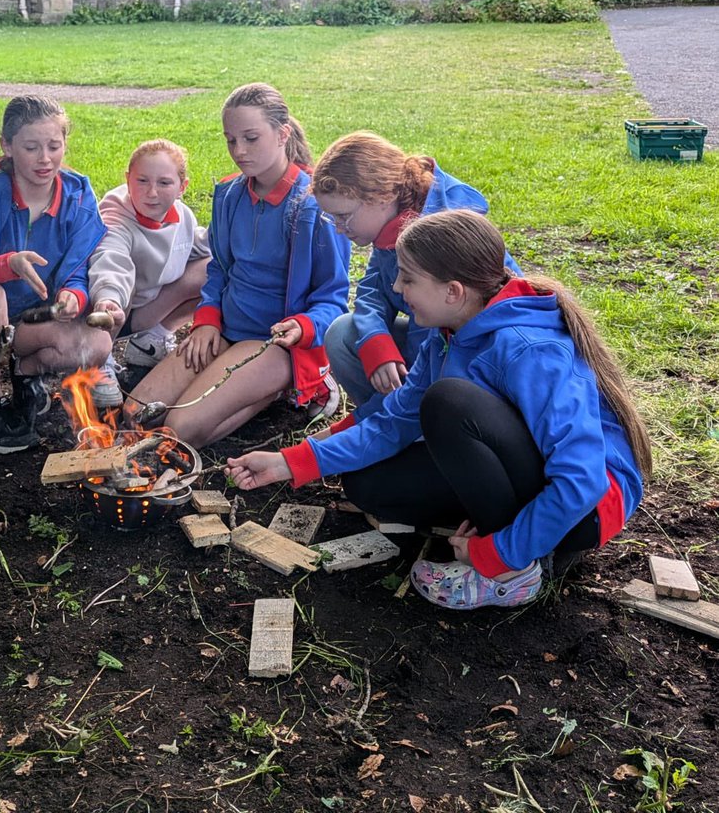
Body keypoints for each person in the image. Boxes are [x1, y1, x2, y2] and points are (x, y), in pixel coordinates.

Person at [226, 209, 652, 611]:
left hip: (588, 509)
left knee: (449, 402)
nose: (397, 290)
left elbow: (582, 480)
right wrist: (290, 462)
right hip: (532, 476)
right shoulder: (447, 332)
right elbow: (394, 421)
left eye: (408, 279)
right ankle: (513, 531)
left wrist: (495, 552)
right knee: (366, 486)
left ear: (453, 291)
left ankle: (515, 571)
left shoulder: (529, 350)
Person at [127, 83, 351, 448]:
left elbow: (334, 298)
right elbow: (218, 271)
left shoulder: (312, 206)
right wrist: (207, 321)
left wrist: (303, 326)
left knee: (177, 432)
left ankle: (286, 387)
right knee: (135, 413)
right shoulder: (229, 195)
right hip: (226, 331)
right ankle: (251, 387)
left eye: (250, 138)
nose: (239, 151)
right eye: (231, 140)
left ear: (283, 134)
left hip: (274, 343)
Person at [0, 95, 113, 454]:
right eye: (31, 147)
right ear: (6, 145)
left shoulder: (78, 194)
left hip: (33, 319)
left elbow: (79, 270)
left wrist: (74, 297)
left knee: (97, 344)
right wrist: (5, 265)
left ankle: (24, 375)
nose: (45, 159)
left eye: (54, 146)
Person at [313, 131, 518, 419]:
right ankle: (389, 425)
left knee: (417, 408)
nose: (337, 228)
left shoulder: (439, 235)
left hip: (472, 362)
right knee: (343, 333)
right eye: (331, 218)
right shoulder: (390, 224)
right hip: (430, 351)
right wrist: (376, 340)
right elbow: (373, 288)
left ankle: (398, 427)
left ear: (381, 195)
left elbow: (435, 337)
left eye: (343, 216)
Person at [88, 139, 211, 377]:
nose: (151, 193)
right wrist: (109, 296)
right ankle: (99, 360)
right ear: (127, 179)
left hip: (148, 307)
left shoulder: (181, 215)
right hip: (111, 311)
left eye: (164, 183)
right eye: (142, 181)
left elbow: (192, 247)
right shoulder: (115, 219)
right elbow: (111, 259)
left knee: (216, 269)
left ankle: (151, 340)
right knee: (125, 282)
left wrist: (223, 234)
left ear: (182, 187)